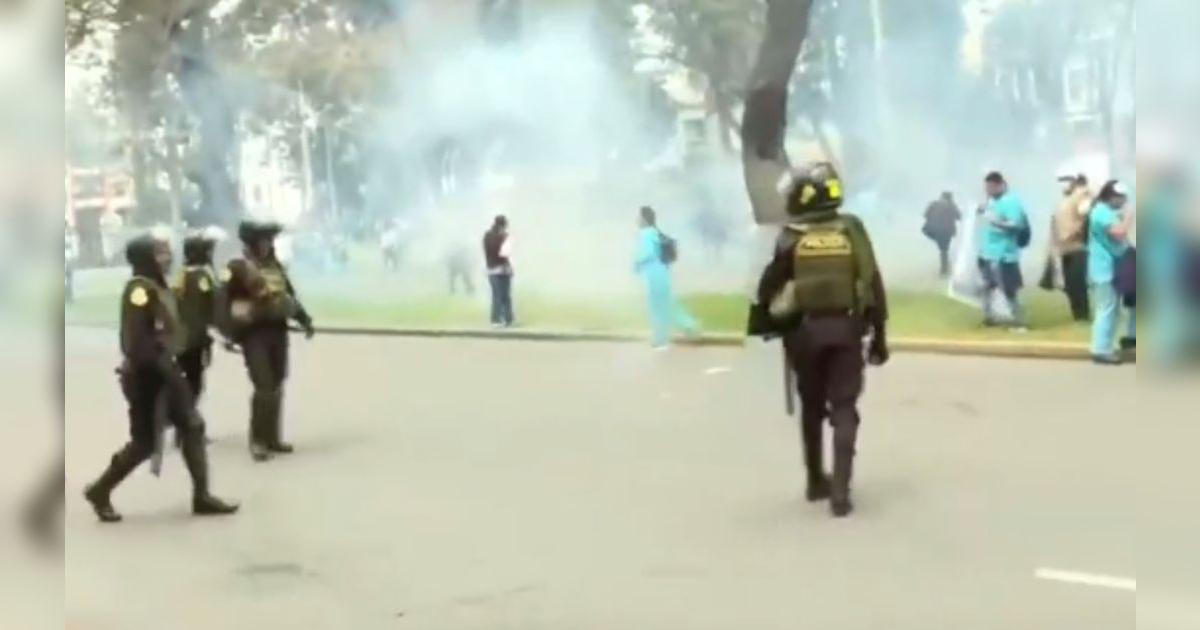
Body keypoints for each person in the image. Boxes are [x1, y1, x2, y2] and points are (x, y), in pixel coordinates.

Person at [750, 162, 889, 518]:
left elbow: (768, 287)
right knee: (844, 409)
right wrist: (879, 337)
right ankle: (840, 493)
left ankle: (815, 480)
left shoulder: (790, 236)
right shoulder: (851, 230)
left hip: (803, 335)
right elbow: (873, 283)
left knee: (811, 408)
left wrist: (768, 322)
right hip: (846, 330)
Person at [83, 233, 239, 522]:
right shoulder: (139, 290)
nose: (168, 257)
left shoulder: (158, 286)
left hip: (166, 369)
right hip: (147, 376)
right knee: (143, 443)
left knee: (193, 426)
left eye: (166, 252)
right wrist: (160, 367)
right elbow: (135, 341)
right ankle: (99, 490)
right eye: (160, 253)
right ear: (146, 259)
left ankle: (202, 496)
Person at [219, 221, 315, 461]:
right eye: (263, 241)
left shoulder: (275, 267)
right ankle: (258, 441)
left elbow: (288, 296)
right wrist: (229, 333)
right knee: (263, 385)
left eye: (269, 241)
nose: (268, 245)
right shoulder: (237, 267)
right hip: (254, 333)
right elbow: (222, 301)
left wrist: (304, 319)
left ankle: (273, 438)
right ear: (252, 243)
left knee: (277, 383)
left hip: (277, 330)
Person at [1087, 180, 1136, 364]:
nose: (1123, 201)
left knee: (1112, 310)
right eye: (1120, 197)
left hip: (1110, 268)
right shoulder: (1100, 212)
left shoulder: (1106, 212)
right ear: (1110, 196)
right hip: (1103, 269)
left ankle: (1105, 346)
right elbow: (1119, 233)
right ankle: (1100, 350)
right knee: (1106, 309)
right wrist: (1129, 217)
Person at [635, 206, 698, 349]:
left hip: (654, 274)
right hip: (662, 272)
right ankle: (690, 326)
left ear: (644, 219)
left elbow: (647, 253)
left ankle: (661, 339)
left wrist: (637, 264)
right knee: (668, 304)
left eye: (638, 217)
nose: (637, 220)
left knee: (658, 308)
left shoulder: (646, 234)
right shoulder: (655, 232)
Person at [978, 171, 1029, 329]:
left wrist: (996, 222)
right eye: (987, 187)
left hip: (1004, 255)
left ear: (1000, 185)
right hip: (988, 254)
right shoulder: (992, 202)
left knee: (1009, 290)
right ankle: (989, 318)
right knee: (987, 287)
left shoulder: (1011, 202)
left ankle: (1019, 322)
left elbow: (1016, 225)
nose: (988, 190)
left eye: (991, 187)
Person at [1052, 173, 1092, 321]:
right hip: (1065, 247)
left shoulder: (1081, 195)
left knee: (1077, 283)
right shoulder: (1065, 201)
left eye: (1066, 181)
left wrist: (1079, 232)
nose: (1063, 185)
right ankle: (1078, 315)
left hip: (1077, 246)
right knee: (1070, 285)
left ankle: (1083, 316)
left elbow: (1085, 213)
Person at [482, 215, 515, 327]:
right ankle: (501, 319)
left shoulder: (488, 235)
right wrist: (504, 239)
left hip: (494, 269)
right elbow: (504, 253)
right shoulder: (501, 236)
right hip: (500, 269)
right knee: (502, 296)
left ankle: (504, 319)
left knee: (499, 295)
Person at [922, 191, 961, 277]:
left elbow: (925, 215)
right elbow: (959, 217)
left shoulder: (933, 204)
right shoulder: (952, 206)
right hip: (945, 232)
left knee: (943, 249)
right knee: (944, 250)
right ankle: (944, 270)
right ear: (950, 199)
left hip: (930, 231)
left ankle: (945, 268)